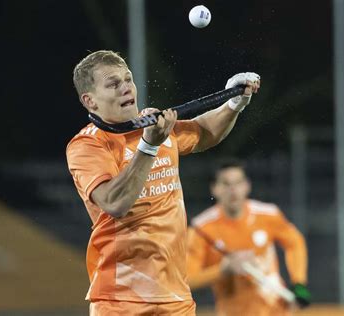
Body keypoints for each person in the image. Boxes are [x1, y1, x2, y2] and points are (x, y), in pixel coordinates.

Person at [66, 50, 260, 315]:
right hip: (121, 300)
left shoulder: (152, 123)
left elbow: (203, 132)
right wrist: (149, 146)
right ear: (90, 101)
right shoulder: (87, 145)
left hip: (175, 298)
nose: (126, 88)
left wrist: (233, 104)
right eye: (113, 84)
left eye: (128, 79)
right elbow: (115, 203)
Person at [186, 159, 310, 316]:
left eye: (238, 183)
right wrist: (223, 269)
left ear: (247, 186)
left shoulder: (268, 214)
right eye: (226, 184)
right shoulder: (200, 229)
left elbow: (295, 242)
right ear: (214, 189)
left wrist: (299, 282)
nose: (233, 190)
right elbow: (187, 280)